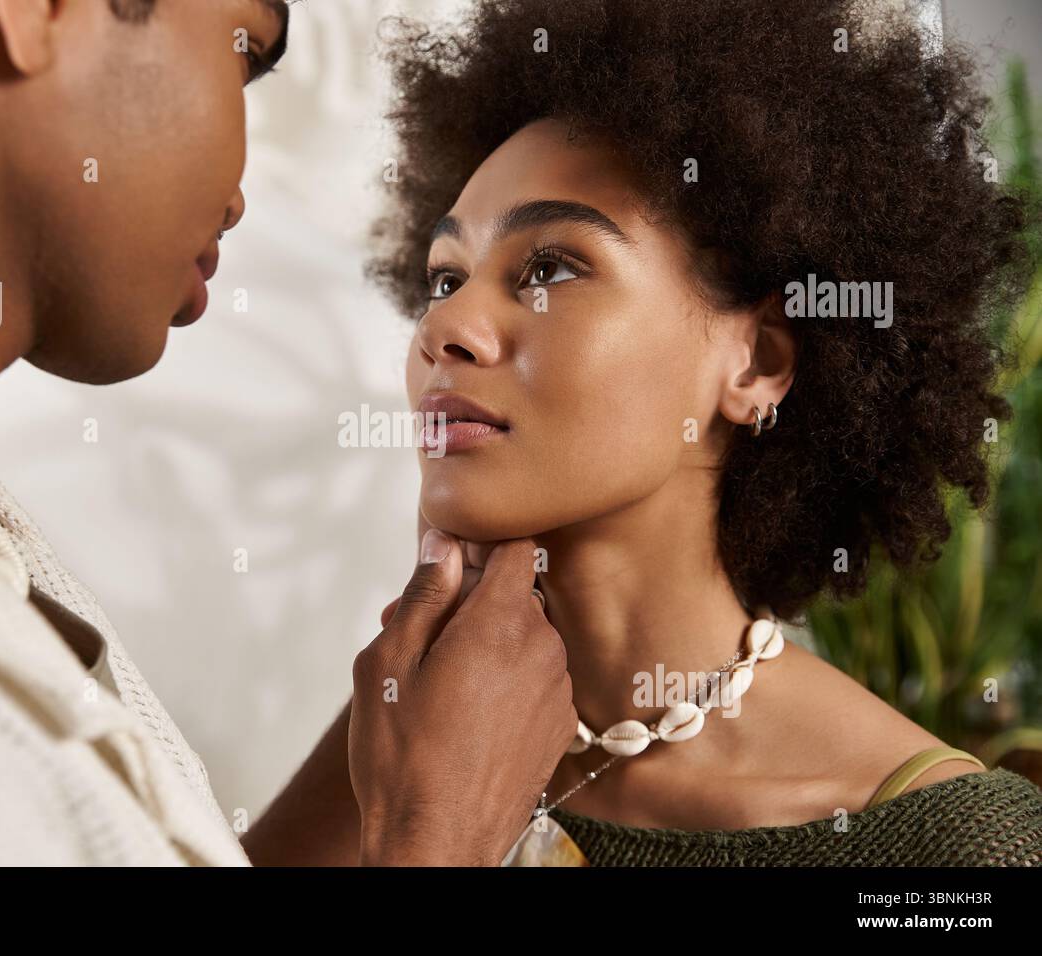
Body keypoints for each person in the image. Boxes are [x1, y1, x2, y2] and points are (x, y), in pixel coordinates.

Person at [0, 0, 577, 867]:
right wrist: (435, 839)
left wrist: (409, 776)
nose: (240, 194)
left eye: (549, 271)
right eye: (242, 51)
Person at [337, 0, 1042, 864]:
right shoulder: (392, 748)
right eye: (444, 278)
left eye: (550, 268)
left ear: (756, 366)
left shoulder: (951, 848)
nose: (444, 329)